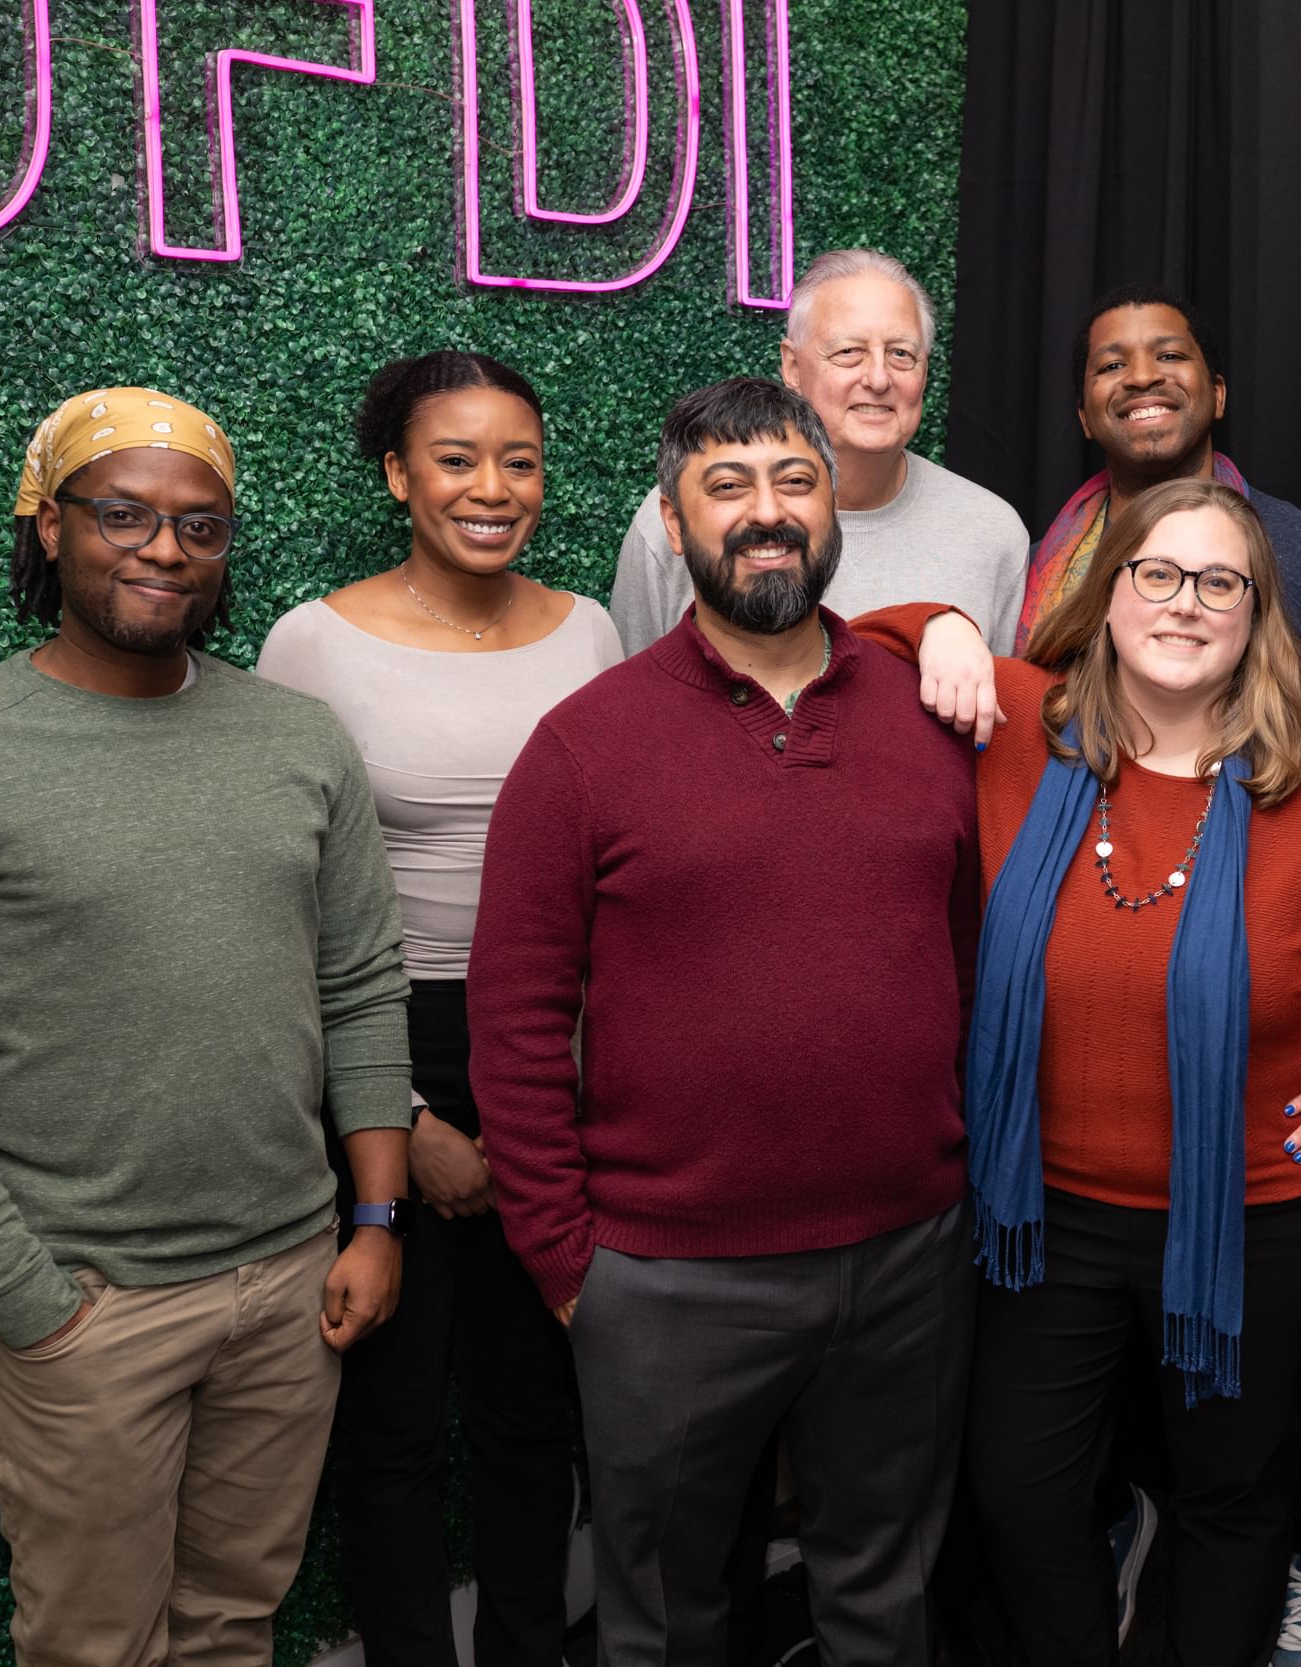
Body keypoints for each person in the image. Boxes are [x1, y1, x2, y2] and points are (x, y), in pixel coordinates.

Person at [865, 476, 1301, 1667]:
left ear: (1256, 611)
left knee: (1233, 1501)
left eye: (1218, 581)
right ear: (1107, 593)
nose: (1184, 603)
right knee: (1019, 1493)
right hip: (1042, 1219)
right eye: (1156, 573)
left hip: (1262, 1222)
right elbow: (847, 643)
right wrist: (944, 625)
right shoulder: (1022, 719)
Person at [0, 387, 413, 1666]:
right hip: (88, 1307)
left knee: (234, 1625)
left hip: (291, 1288)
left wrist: (372, 1220)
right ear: (49, 528)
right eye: (125, 515)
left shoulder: (299, 740)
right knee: (94, 1645)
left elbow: (362, 983)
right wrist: (33, 1303)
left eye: (200, 526)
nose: (163, 549)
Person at [466, 378, 981, 1667]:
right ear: (671, 518)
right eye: (728, 487)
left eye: (794, 483)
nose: (767, 516)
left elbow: (968, 961)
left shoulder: (929, 719)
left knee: (886, 1593)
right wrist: (572, 1265)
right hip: (667, 1276)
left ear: (833, 506)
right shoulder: (584, 745)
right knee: (665, 1618)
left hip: (908, 1258)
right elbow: (517, 1018)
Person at [256, 351, 624, 1667]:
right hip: (383, 1030)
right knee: (396, 1419)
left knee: (539, 1409)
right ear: (398, 474)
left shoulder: (591, 629)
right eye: (457, 458)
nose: (491, 486)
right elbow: (280, 904)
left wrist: (548, 1101)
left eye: (517, 460)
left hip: (559, 1042)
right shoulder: (314, 639)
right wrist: (398, 1115)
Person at [608, 247, 1029, 653]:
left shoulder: (990, 532)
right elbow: (636, 701)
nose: (879, 378)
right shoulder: (692, 513)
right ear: (792, 367)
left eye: (901, 354)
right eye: (849, 352)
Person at [1016, 285, 1301, 715]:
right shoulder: (1028, 571)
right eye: (1113, 364)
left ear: (1218, 395)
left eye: (1170, 356)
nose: (1141, 377)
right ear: (1084, 417)